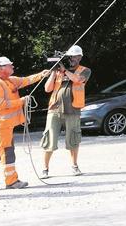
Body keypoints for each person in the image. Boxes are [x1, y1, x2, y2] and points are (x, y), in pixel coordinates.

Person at [0, 58, 50, 192]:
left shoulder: (11, 80)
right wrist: (21, 101)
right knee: (7, 153)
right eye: (9, 65)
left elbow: (26, 80)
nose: (12, 66)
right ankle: (11, 181)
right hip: (0, 126)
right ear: (0, 68)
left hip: (4, 126)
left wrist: (41, 75)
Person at [41, 45, 90, 177]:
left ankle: (74, 166)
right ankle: (45, 169)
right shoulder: (57, 72)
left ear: (80, 57)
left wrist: (65, 71)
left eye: (75, 56)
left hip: (73, 109)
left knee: (73, 138)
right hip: (54, 109)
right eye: (70, 56)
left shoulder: (84, 70)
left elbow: (78, 80)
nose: (72, 59)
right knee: (50, 138)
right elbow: (47, 88)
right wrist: (54, 71)